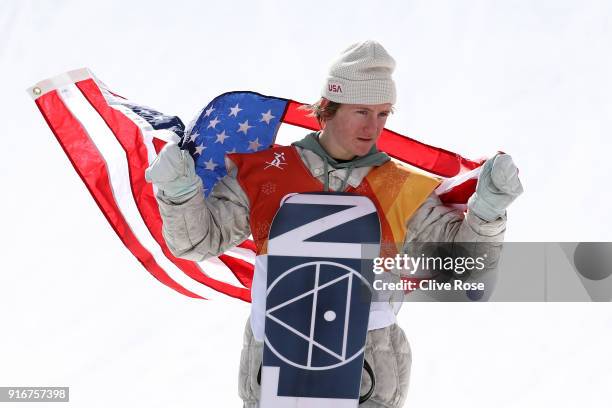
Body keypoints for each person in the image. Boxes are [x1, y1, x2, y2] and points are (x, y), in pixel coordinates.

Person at [145, 40, 523, 408]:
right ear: (328, 107)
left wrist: (487, 213)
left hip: (367, 378)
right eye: (362, 111)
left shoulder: (397, 186)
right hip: (276, 371)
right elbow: (196, 243)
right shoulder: (264, 174)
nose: (373, 126)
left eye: (383, 113)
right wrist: (180, 192)